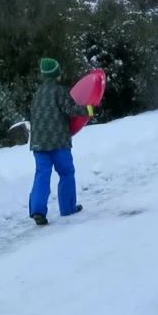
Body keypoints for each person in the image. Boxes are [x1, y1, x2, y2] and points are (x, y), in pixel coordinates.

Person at [28, 58, 94, 226]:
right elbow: (71, 109)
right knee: (66, 173)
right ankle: (67, 207)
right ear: (56, 74)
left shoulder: (38, 93)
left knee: (42, 175)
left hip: (38, 143)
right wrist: (89, 108)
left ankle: (37, 211)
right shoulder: (59, 91)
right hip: (58, 142)